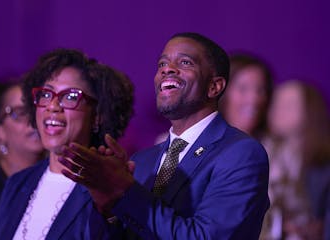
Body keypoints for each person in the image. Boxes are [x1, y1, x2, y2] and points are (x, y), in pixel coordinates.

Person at [59, 32, 270, 239]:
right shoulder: (142, 161)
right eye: (162, 64)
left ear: (214, 87)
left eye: (185, 63)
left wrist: (126, 190)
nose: (167, 69)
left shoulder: (240, 153)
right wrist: (107, 205)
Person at [0, 49, 134, 239]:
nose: (52, 106)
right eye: (46, 94)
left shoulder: (104, 188)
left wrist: (110, 208)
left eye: (70, 97)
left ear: (97, 116)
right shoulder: (17, 184)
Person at [0, 82, 45, 240]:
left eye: (37, 110)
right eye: (20, 112)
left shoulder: (58, 180)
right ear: (0, 131)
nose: (33, 121)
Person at [261, 80, 330, 240]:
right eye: (275, 103)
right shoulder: (261, 151)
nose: (277, 109)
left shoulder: (323, 167)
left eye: (289, 104)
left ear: (310, 112)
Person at [220, 53, 273, 139]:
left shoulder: (276, 149)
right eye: (243, 89)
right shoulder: (202, 146)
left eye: (260, 90)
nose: (254, 99)